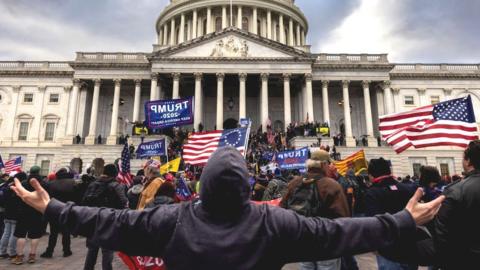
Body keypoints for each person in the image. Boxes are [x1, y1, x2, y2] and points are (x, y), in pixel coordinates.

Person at [12, 147, 444, 270]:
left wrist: (54, 209)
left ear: (203, 184)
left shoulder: (171, 220)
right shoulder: (274, 223)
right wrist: (403, 220)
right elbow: (341, 234)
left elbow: (110, 221)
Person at [282, 150, 350, 270]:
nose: (330, 167)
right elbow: (343, 217)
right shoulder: (331, 185)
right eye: (329, 164)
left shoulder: (294, 183)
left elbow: (282, 210)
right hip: (326, 243)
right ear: (323, 164)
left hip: (303, 241)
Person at [364, 158, 417, 270]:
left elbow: (373, 224)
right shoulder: (406, 189)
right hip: (410, 247)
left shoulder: (372, 193)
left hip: (388, 250)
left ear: (371, 175)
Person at [81, 164, 128, 270]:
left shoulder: (93, 184)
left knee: (92, 250)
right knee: (107, 251)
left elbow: (83, 201)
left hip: (92, 219)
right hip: (108, 221)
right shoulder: (115, 185)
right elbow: (124, 202)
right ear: (114, 174)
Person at [40, 167, 78, 258]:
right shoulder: (73, 183)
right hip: (68, 209)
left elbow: (48, 197)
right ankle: (67, 250)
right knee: (66, 232)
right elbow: (77, 197)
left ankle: (49, 251)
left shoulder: (51, 183)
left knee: (53, 233)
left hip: (54, 209)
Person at [11, 168, 46, 264]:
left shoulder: (23, 183)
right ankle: (32, 256)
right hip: (37, 211)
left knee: (21, 234)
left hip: (23, 211)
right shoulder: (44, 184)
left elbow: (16, 197)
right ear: (39, 172)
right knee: (35, 235)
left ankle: (19, 257)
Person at [0, 175, 18, 259]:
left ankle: (2, 251)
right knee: (13, 234)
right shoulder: (18, 190)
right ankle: (12, 252)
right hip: (15, 214)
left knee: (6, 233)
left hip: (7, 213)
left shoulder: (5, 189)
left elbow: (2, 202)